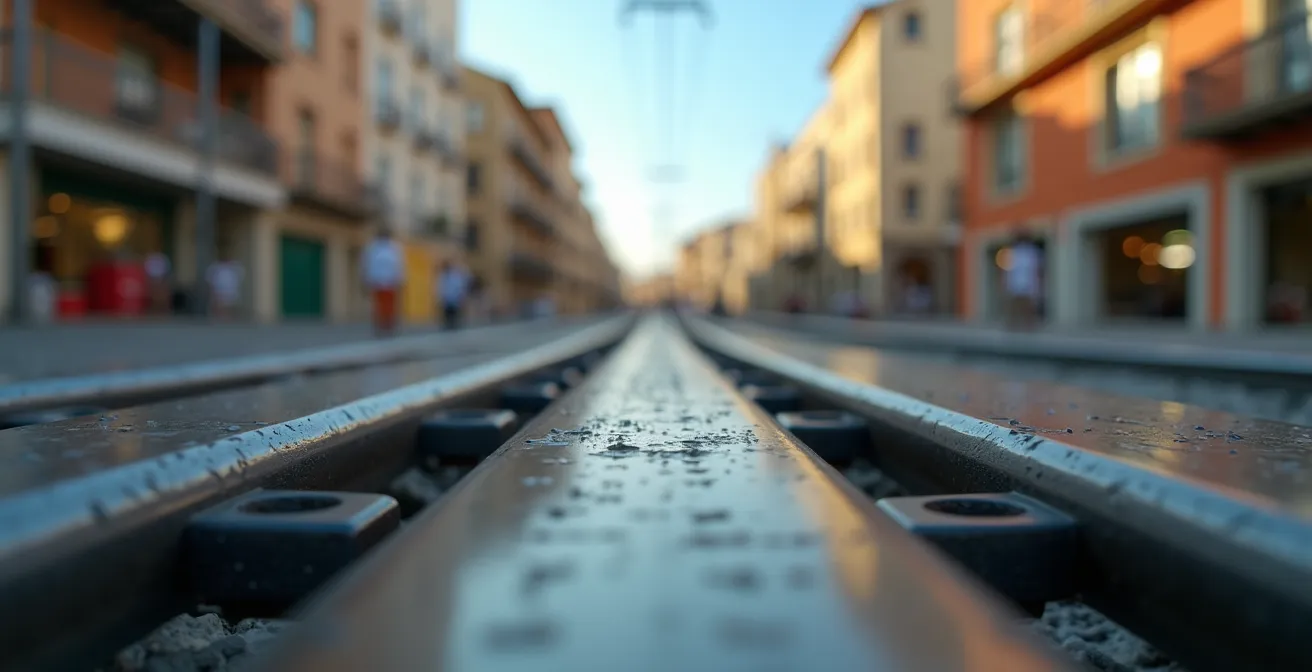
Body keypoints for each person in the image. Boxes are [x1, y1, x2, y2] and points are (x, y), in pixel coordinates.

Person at [361, 229, 404, 337]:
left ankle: (389, 326)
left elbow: (400, 265)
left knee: (390, 306)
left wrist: (400, 280)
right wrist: (366, 280)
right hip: (377, 282)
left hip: (390, 282)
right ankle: (379, 326)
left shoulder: (394, 248)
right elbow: (366, 264)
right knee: (378, 306)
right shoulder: (372, 248)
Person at [1005, 230, 1042, 329]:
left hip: (1028, 285)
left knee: (1028, 309)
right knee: (1013, 309)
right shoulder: (1013, 252)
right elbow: (1008, 270)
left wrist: (1036, 285)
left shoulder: (1032, 252)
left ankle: (1029, 327)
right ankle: (1013, 327)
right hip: (1015, 285)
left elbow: (1036, 270)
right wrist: (1007, 284)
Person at [205, 256, 243, 320]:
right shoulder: (216, 268)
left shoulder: (233, 268)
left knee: (227, 305)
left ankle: (226, 318)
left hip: (229, 290)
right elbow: (210, 279)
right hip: (219, 289)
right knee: (219, 304)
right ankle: (218, 318)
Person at [436, 261, 470, 330]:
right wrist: (439, 298)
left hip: (454, 299)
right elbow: (439, 288)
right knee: (447, 317)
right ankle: (448, 328)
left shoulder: (454, 276)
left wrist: (461, 297)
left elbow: (459, 287)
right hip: (446, 300)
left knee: (454, 316)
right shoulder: (442, 276)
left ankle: (455, 328)